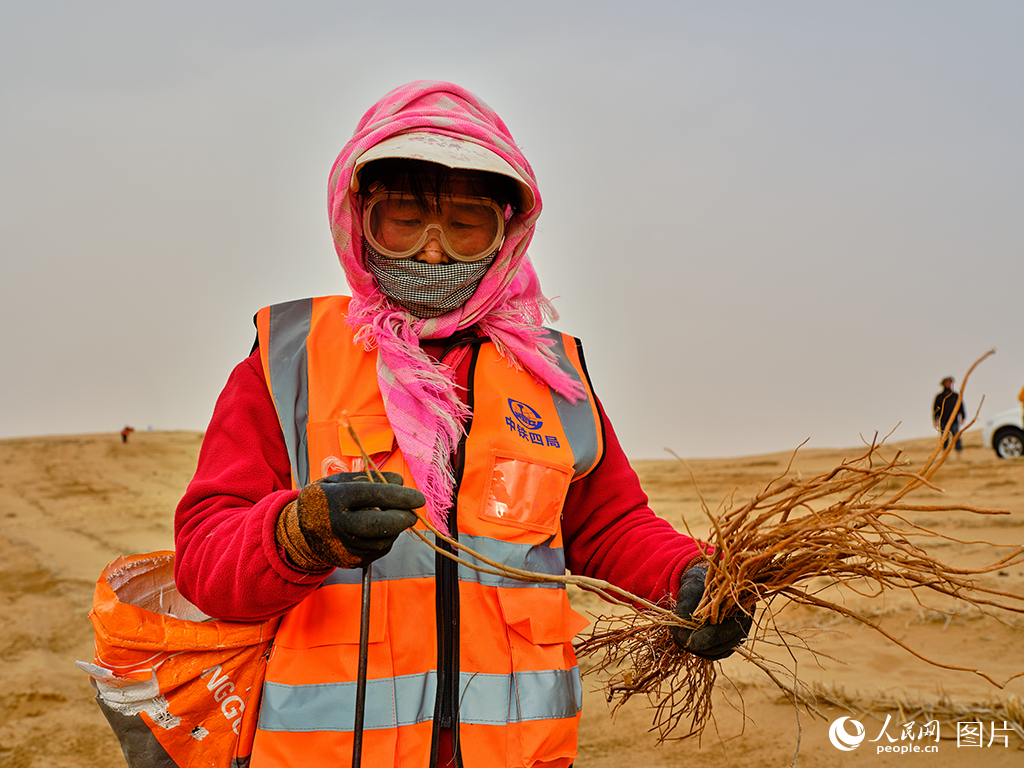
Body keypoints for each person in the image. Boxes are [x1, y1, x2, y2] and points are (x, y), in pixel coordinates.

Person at [173, 81, 751, 768]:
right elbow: (204, 556)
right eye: (404, 217)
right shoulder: (285, 361)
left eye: (466, 223)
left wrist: (689, 577)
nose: (435, 249)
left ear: (508, 232)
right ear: (358, 218)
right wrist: (298, 534)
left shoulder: (554, 373)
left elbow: (608, 524)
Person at [933, 376, 965, 454]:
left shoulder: (955, 396)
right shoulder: (939, 397)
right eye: (947, 383)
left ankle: (958, 453)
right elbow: (935, 409)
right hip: (943, 421)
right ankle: (945, 454)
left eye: (950, 383)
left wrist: (963, 417)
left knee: (956, 437)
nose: (948, 384)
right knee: (944, 438)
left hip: (954, 421)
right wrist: (935, 420)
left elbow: (961, 407)